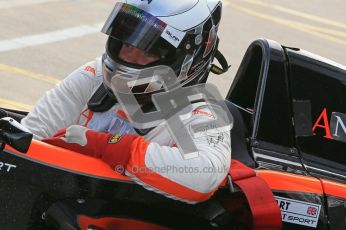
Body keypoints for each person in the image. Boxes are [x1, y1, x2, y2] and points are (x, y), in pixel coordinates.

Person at [21, 0, 232, 204]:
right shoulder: (93, 75)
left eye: (148, 50)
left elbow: (204, 177)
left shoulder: (203, 112)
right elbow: (32, 134)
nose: (130, 57)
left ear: (188, 57)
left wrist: (103, 145)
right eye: (126, 43)